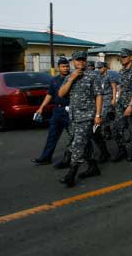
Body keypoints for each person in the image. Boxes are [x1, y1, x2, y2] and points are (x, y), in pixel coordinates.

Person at [57, 51, 102, 187]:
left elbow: (98, 95)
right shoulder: (69, 76)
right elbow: (61, 94)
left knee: (77, 144)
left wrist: (98, 115)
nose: (81, 62)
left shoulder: (93, 75)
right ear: (73, 62)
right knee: (85, 142)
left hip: (87, 116)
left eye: (83, 60)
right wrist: (72, 79)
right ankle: (93, 167)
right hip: (74, 116)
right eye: (78, 60)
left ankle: (71, 174)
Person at [31, 57, 72, 166]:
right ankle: (46, 157)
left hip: (70, 110)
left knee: (74, 135)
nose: (66, 68)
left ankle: (71, 159)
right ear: (59, 67)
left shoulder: (73, 78)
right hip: (57, 111)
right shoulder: (54, 80)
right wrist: (41, 107)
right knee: (52, 135)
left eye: (67, 66)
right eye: (63, 66)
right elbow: (49, 95)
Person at [113, 48, 132, 162]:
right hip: (121, 103)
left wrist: (130, 106)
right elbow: (120, 87)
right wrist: (117, 99)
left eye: (124, 56)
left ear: (131, 57)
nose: (122, 59)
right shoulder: (121, 71)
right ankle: (122, 149)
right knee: (116, 127)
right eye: (121, 57)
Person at [92, 61, 116, 163]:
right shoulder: (98, 77)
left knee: (104, 115)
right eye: (98, 68)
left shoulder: (109, 76)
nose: (99, 69)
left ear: (105, 68)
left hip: (108, 97)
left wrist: (114, 98)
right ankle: (107, 130)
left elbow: (114, 87)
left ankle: (106, 131)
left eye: (101, 67)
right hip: (101, 98)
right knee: (103, 115)